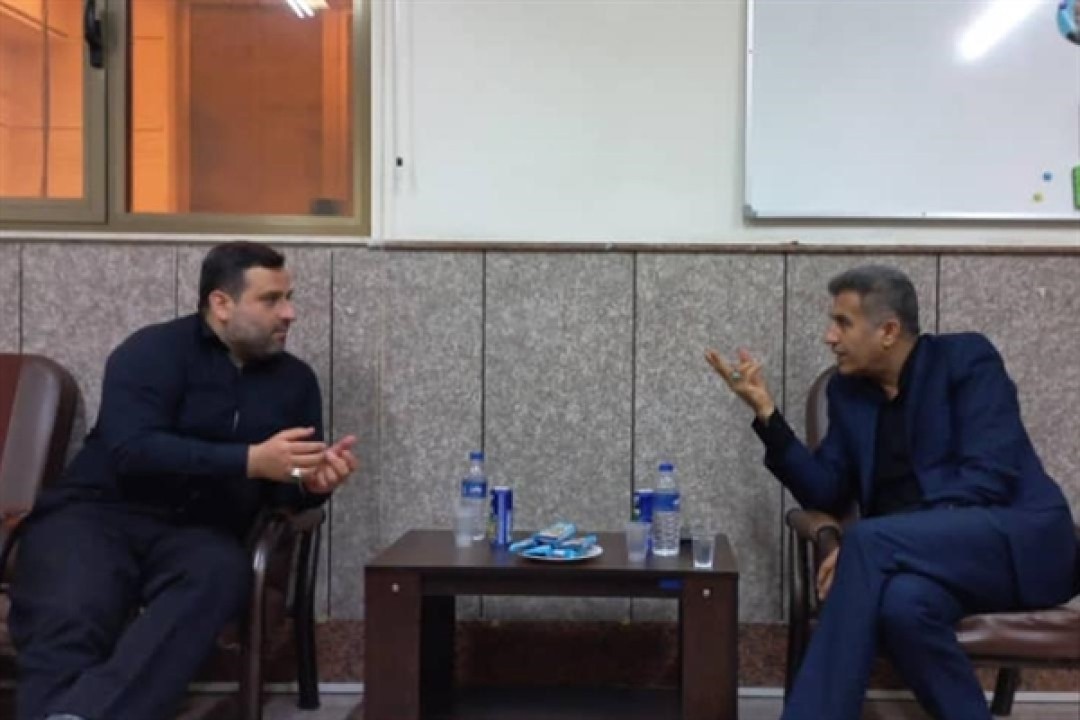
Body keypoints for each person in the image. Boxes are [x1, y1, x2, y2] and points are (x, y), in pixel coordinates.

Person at [705, 265, 1077, 720]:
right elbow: (826, 491)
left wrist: (887, 541)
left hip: (1018, 542)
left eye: (842, 323)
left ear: (888, 331)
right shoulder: (848, 393)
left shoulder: (966, 361)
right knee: (903, 606)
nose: (829, 337)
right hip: (917, 562)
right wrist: (768, 416)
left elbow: (987, 481)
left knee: (866, 540)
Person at [9, 242, 358, 720]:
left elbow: (287, 485)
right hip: (99, 512)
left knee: (219, 574)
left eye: (289, 297)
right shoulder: (151, 352)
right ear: (221, 304)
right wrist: (249, 460)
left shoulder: (295, 381)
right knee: (72, 602)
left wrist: (313, 485)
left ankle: (78, 714)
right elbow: (133, 449)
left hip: (201, 530)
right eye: (271, 300)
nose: (289, 313)